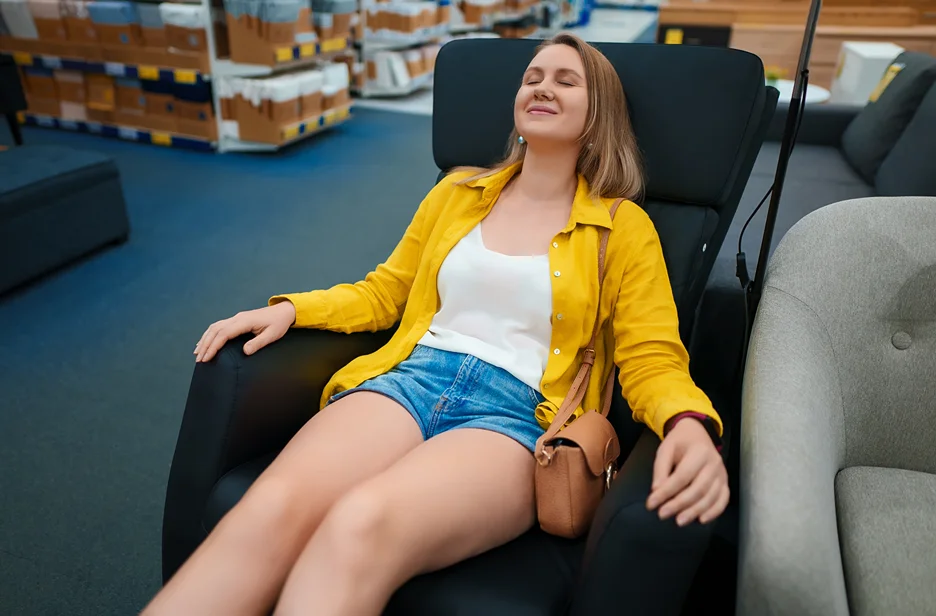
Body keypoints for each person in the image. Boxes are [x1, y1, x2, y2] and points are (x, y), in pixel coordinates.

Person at [142, 33, 728, 616]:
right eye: (532, 78)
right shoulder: (457, 193)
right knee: (270, 507)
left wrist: (686, 421)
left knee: (359, 525)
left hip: (517, 416)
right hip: (410, 380)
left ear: (598, 114)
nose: (542, 86)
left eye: (565, 80)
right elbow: (385, 292)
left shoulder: (623, 228)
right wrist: (292, 309)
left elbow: (651, 355)